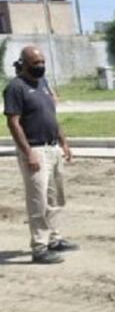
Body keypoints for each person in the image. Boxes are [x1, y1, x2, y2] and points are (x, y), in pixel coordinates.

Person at [3, 46, 79, 264]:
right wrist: (28, 153)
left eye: (42, 62)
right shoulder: (15, 88)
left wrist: (63, 142)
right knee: (38, 200)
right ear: (24, 64)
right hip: (35, 150)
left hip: (52, 147)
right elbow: (13, 122)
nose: (40, 66)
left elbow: (51, 116)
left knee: (56, 197)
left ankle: (55, 238)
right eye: (36, 63)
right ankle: (39, 246)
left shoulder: (44, 84)